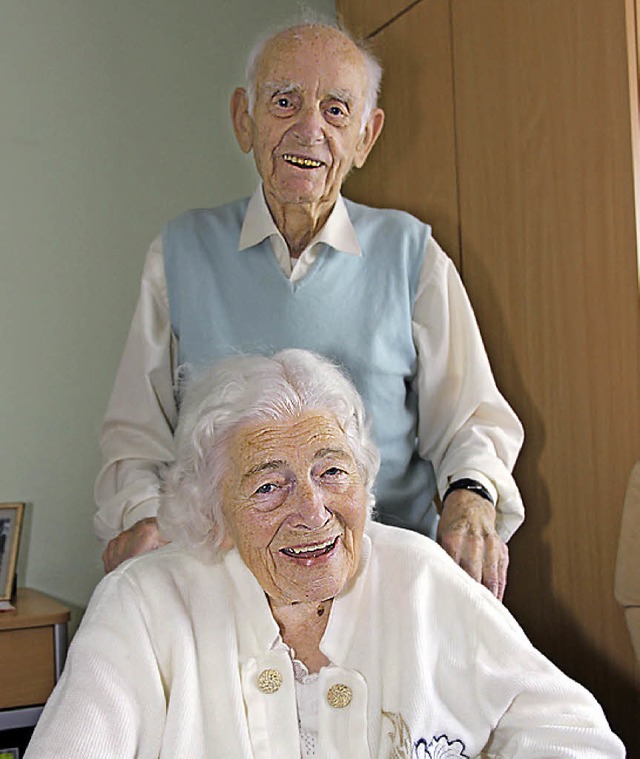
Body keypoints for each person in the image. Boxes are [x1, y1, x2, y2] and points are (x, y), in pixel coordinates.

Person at [95, 18, 525, 599]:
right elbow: (134, 435)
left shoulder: (411, 254)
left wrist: (471, 495)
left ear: (366, 138)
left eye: (336, 110)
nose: (309, 129)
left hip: (378, 581)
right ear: (244, 119)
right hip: (223, 584)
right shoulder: (178, 252)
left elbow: (472, 420)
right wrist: (143, 519)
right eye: (284, 102)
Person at [28, 351, 622, 757]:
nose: (313, 512)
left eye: (332, 471)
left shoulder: (418, 578)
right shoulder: (144, 605)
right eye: (268, 486)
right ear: (215, 512)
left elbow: (576, 734)